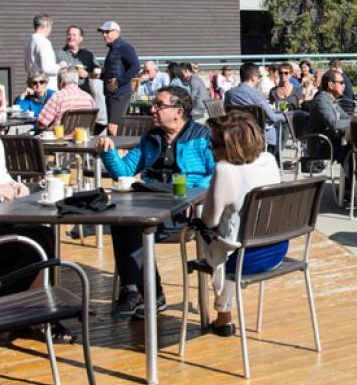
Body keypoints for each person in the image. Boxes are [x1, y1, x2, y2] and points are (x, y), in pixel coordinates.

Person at [96, 86, 215, 319]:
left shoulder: (201, 136)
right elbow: (125, 172)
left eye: (159, 105)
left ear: (178, 111)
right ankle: (136, 291)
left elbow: (216, 172)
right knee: (120, 220)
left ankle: (147, 293)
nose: (153, 109)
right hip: (150, 201)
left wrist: (194, 193)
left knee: (132, 225)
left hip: (185, 208)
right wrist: (109, 153)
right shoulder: (151, 138)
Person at [0, 83, 68, 341]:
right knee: (33, 242)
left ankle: (31, 313)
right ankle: (33, 314)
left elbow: (2, 175)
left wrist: (15, 184)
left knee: (43, 237)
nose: (3, 108)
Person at [199, 110, 285, 337]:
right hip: (275, 249)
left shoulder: (225, 170)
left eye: (214, 144)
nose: (210, 148)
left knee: (212, 237)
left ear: (231, 146)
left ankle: (223, 315)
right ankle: (223, 315)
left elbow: (210, 221)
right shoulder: (269, 160)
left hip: (242, 259)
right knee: (233, 236)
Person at [224, 63, 287, 153]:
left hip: (236, 131)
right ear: (253, 77)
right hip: (256, 133)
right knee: (276, 129)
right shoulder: (256, 94)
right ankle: (272, 159)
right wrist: (285, 116)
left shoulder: (229, 94)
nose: (258, 79)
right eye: (258, 76)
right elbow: (272, 117)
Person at [305, 70, 351, 191]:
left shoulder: (331, 99)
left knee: (354, 148)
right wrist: (356, 122)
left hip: (331, 142)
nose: (344, 85)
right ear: (330, 85)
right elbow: (334, 123)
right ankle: (349, 190)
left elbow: (345, 117)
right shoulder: (321, 101)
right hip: (321, 146)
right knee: (352, 151)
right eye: (341, 83)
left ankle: (349, 188)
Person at [99, 21, 140, 136]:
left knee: (113, 127)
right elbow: (114, 71)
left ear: (116, 32)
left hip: (119, 94)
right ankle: (113, 151)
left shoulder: (124, 47)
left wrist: (119, 81)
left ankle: (118, 152)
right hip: (112, 94)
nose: (104, 35)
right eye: (103, 32)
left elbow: (135, 66)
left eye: (107, 32)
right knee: (112, 126)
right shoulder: (113, 48)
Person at [37, 66, 96, 131]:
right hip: (82, 139)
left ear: (62, 81)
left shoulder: (58, 96)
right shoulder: (88, 97)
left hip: (59, 139)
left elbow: (42, 124)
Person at [25, 13, 66, 91]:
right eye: (50, 27)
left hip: (33, 84)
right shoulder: (43, 42)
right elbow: (47, 68)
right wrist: (60, 66)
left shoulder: (29, 41)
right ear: (47, 25)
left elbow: (26, 67)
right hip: (46, 87)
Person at [55, 25, 96, 90]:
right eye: (69, 34)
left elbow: (98, 74)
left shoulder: (88, 55)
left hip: (84, 95)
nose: (71, 37)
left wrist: (88, 74)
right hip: (66, 95)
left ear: (81, 38)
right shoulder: (58, 54)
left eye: (74, 35)